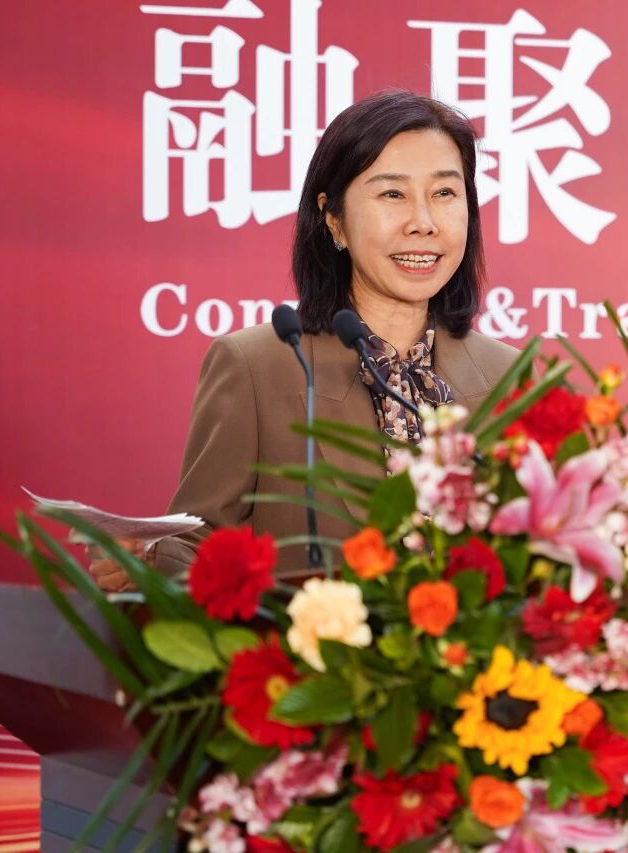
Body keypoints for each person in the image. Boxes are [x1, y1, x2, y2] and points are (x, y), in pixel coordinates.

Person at [87, 90, 520, 590]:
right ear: (333, 219)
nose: (423, 223)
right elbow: (199, 545)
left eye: (444, 193)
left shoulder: (510, 378)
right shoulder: (257, 366)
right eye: (392, 195)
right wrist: (147, 560)